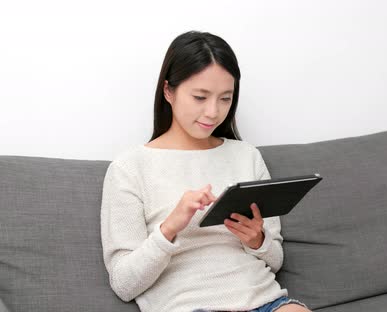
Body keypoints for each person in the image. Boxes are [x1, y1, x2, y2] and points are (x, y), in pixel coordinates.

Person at [100, 30, 311, 312]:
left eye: (225, 98)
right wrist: (171, 227)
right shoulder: (129, 168)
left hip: (266, 302)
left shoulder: (246, 156)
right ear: (168, 91)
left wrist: (257, 240)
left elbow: (275, 259)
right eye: (200, 97)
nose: (213, 112)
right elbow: (124, 284)